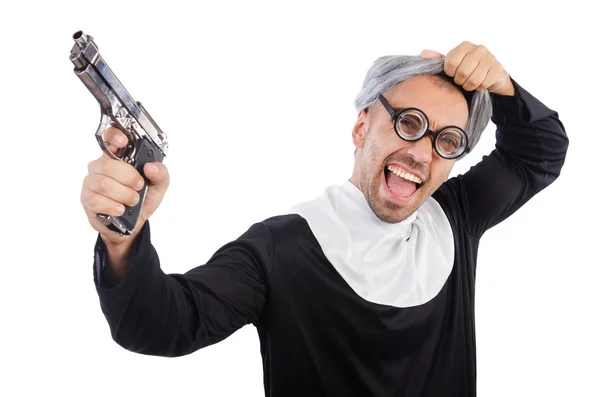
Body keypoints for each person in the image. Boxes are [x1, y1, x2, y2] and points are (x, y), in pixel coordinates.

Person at [81, 41, 568, 396]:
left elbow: (540, 151)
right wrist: (122, 240)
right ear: (361, 126)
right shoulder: (279, 249)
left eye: (447, 141)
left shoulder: (454, 217)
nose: (422, 153)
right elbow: (160, 323)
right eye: (410, 123)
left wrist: (501, 86)